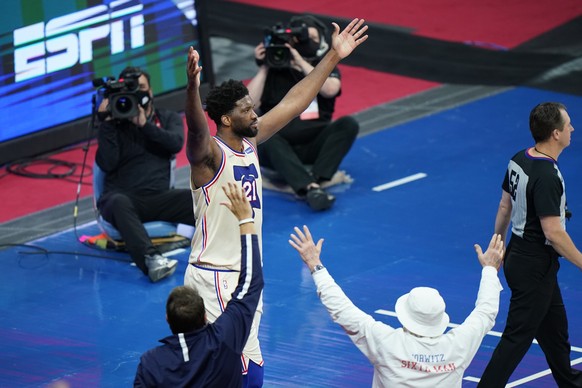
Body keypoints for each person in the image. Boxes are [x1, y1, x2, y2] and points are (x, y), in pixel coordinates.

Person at [184, 18, 368, 387]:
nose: (255, 114)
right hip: (216, 275)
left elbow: (294, 100)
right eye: (247, 111)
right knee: (247, 368)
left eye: (253, 108)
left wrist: (333, 55)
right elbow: (196, 129)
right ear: (225, 119)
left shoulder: (250, 142)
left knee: (225, 368)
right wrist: (192, 86)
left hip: (242, 273)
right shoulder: (209, 158)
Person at [289, 225, 504, 387]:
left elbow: (342, 309)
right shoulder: (459, 345)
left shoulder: (386, 342)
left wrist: (314, 264)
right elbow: (486, 312)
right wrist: (490, 269)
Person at [478, 102, 582, 387]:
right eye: (568, 124)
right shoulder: (547, 176)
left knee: (555, 331)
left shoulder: (518, 159)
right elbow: (554, 233)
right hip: (535, 264)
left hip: (520, 256)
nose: (572, 128)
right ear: (555, 134)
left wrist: (497, 249)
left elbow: (504, 207)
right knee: (517, 339)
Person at [134, 182, 264, 387]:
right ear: (205, 316)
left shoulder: (151, 364)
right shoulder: (225, 340)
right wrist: (246, 220)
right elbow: (252, 282)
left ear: (168, 319)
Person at [246, 14, 359, 211]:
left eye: (314, 39)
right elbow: (248, 105)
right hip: (277, 148)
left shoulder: (322, 64)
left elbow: (331, 89)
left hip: (313, 144)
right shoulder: (274, 68)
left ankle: (312, 179)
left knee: (348, 124)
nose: (312, 43)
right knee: (265, 135)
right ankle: (310, 187)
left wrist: (299, 62)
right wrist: (265, 68)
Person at [95, 66, 195, 283]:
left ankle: (225, 249)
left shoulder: (167, 117)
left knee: (201, 198)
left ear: (150, 92)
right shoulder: (113, 124)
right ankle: (152, 260)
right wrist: (106, 124)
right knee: (118, 202)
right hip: (122, 199)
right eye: (130, 89)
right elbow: (107, 163)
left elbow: (176, 143)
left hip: (158, 198)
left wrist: (143, 125)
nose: (136, 93)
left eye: (140, 88)